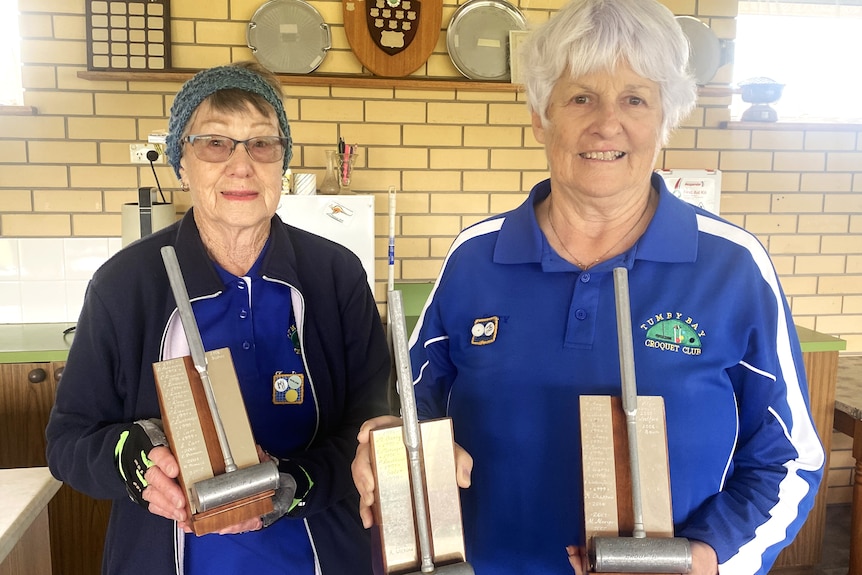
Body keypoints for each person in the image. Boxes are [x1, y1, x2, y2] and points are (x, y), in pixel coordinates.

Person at [351, 1, 824, 574]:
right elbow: (412, 397)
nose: (607, 123)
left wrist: (708, 558)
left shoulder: (733, 266)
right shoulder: (475, 256)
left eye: (634, 98)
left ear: (664, 119)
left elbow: (789, 458)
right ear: (539, 116)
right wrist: (393, 440)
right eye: (580, 97)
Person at [46, 61, 390, 575]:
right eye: (214, 143)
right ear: (181, 163)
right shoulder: (126, 284)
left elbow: (373, 425)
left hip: (320, 557)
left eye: (262, 144)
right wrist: (137, 462)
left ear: (282, 163)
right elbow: (68, 441)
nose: (241, 164)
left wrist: (293, 484)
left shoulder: (334, 275)